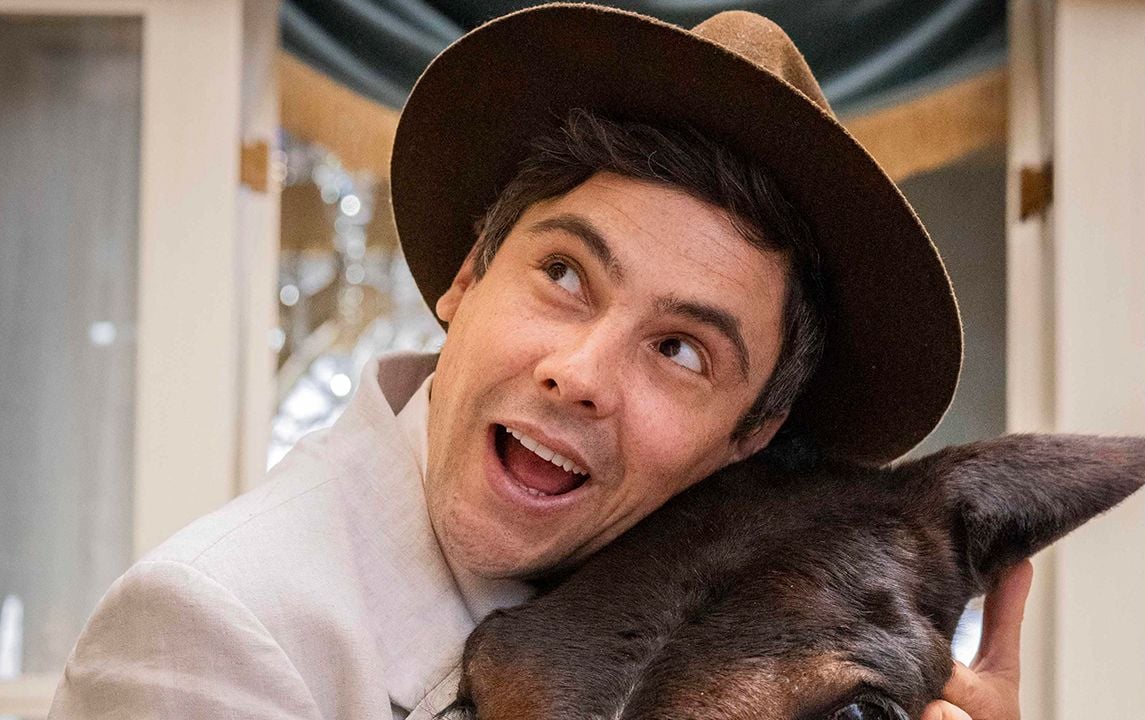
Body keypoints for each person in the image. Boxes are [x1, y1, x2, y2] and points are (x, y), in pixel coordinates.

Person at [49, 5, 1031, 720]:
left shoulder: (695, 631)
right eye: (564, 274)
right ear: (466, 277)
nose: (580, 372)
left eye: (680, 350)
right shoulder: (207, 629)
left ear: (749, 436)